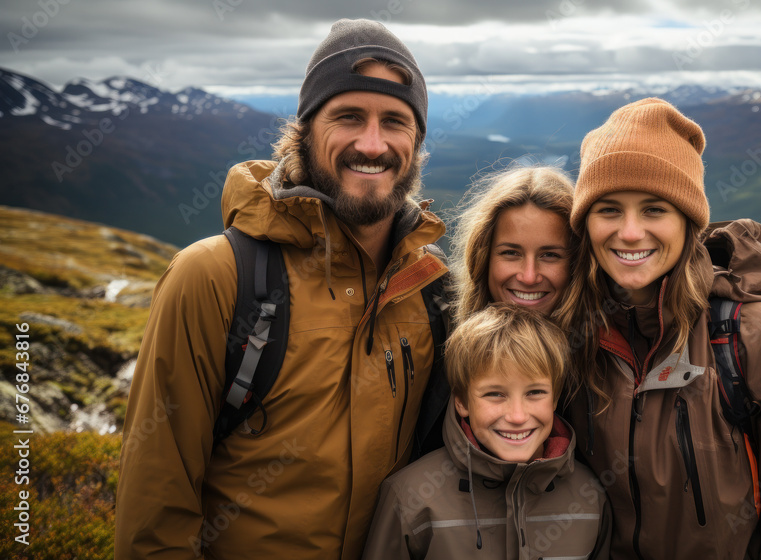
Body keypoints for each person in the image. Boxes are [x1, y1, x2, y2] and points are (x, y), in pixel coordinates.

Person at [115, 19, 450, 560]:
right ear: (304, 132)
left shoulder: (431, 286)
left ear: (417, 141)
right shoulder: (212, 277)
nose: (373, 142)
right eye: (348, 117)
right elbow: (155, 513)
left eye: (396, 121)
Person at [562, 97, 761, 559]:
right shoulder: (572, 335)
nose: (631, 232)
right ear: (585, 223)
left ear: (689, 222)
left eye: (655, 209)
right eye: (609, 209)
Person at [362, 303, 611, 559]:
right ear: (461, 401)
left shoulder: (590, 496)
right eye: (495, 394)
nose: (517, 416)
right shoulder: (409, 497)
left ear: (555, 398)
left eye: (535, 392)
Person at [449, 166, 575, 323]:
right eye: (511, 253)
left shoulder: (604, 345)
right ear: (482, 259)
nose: (529, 277)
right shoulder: (446, 339)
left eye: (550, 255)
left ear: (577, 264)